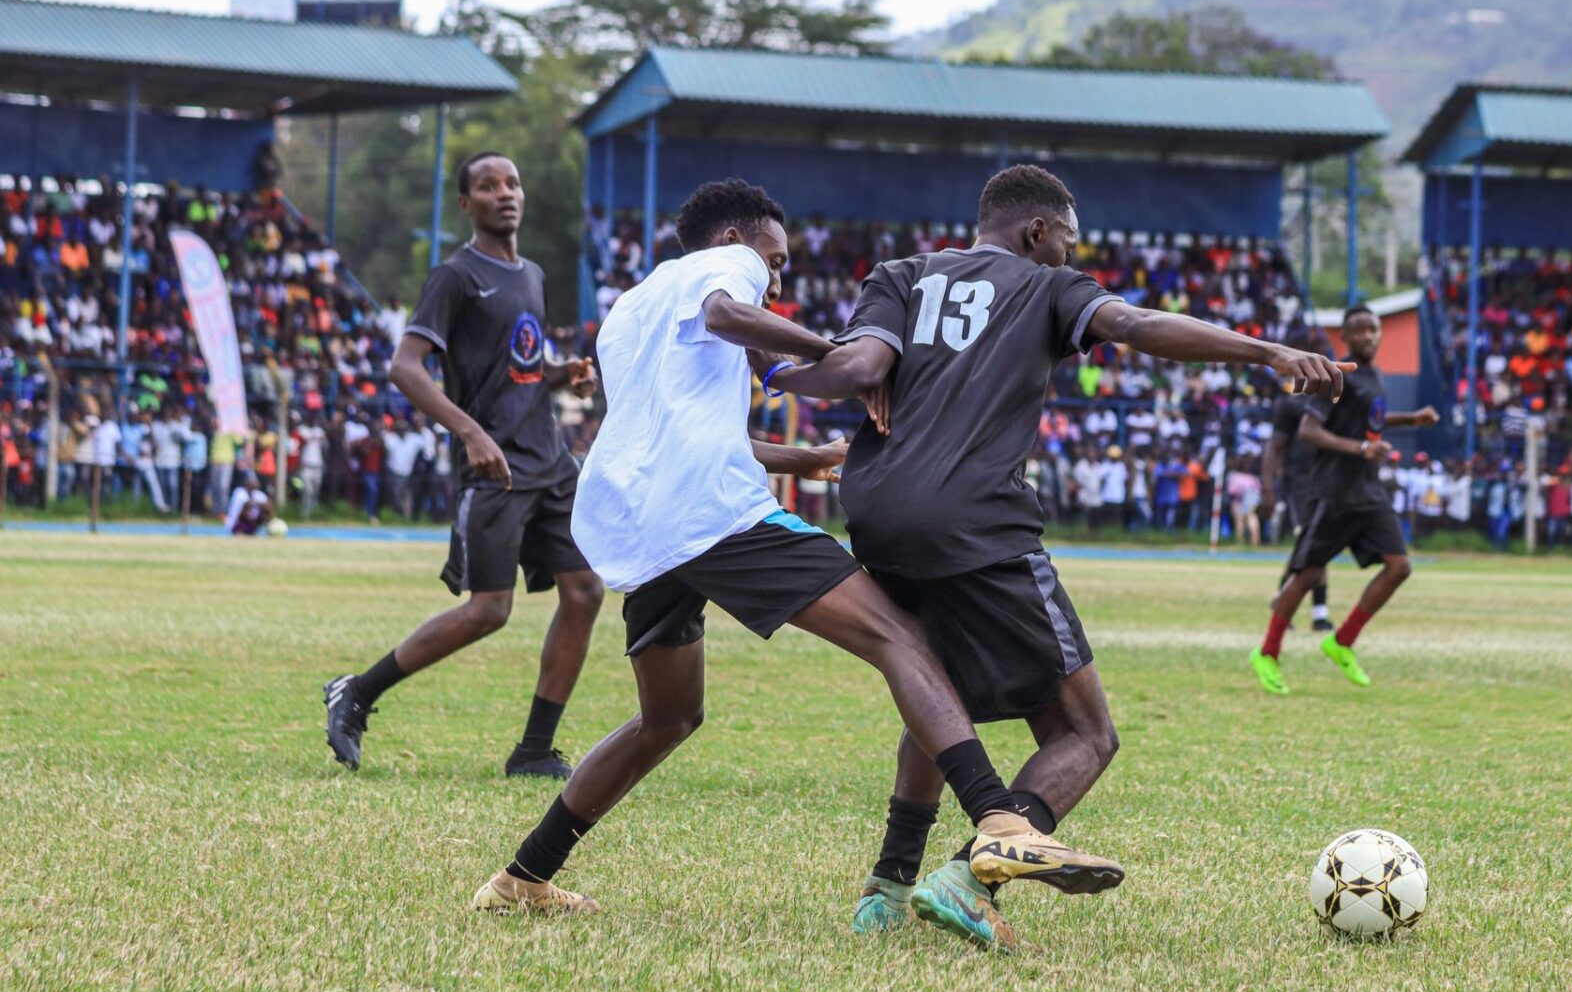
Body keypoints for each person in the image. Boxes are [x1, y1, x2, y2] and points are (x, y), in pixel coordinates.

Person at [470, 177, 1122, 917]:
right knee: (903, 638)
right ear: (734, 242)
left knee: (669, 718)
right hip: (715, 518)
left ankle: (523, 876)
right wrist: (837, 355)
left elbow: (679, 436)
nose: (775, 279)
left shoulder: (631, 308)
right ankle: (999, 818)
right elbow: (727, 313)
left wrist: (800, 458)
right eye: (774, 262)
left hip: (642, 524)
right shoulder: (728, 269)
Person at [763, 164, 1347, 948]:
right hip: (976, 524)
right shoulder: (1044, 286)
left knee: (944, 693)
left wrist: (776, 372)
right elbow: (1138, 327)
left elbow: (857, 370)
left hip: (875, 514)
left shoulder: (899, 275)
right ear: (1037, 231)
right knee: (1086, 733)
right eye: (1067, 240)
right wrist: (1268, 352)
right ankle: (973, 874)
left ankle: (887, 887)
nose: (1071, 257)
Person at [323, 152, 606, 780]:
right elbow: (405, 365)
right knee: (488, 610)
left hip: (550, 460)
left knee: (586, 590)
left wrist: (563, 374)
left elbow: (520, 366)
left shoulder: (529, 274)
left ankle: (533, 750)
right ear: (466, 204)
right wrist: (469, 431)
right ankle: (358, 693)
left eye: (512, 181)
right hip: (496, 466)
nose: (505, 193)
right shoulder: (454, 276)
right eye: (487, 185)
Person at [1250, 304, 1438, 695]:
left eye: (1374, 329)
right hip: (1333, 492)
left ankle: (1342, 641)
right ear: (1347, 338)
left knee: (1399, 566)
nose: (1369, 335)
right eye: (1360, 330)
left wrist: (1410, 420)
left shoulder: (1375, 378)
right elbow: (1309, 430)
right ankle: (1267, 653)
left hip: (1367, 490)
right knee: (1306, 576)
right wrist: (1359, 449)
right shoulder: (1335, 375)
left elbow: (1370, 419)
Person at [1261, 393, 1332, 633]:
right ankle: (1319, 615)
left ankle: (1283, 602)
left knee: (1312, 548)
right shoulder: (1292, 405)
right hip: (1300, 487)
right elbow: (1274, 446)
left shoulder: (1333, 402)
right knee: (1312, 546)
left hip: (1327, 485)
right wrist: (1268, 487)